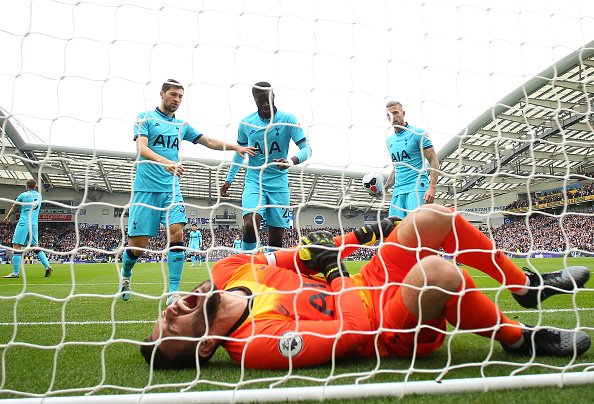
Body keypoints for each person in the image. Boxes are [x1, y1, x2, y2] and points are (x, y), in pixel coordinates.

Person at [140, 204, 590, 369]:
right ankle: (518, 338)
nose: (169, 313)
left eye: (161, 318)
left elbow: (305, 254)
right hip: (384, 327)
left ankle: (525, 287)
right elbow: (353, 331)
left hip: (363, 280)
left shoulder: (228, 270)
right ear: (203, 349)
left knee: (431, 218)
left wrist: (363, 237)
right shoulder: (256, 344)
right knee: (440, 273)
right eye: (170, 331)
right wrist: (337, 275)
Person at [119, 79, 256, 305]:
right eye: (173, 94)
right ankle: (126, 276)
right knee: (137, 247)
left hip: (171, 188)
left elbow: (207, 141)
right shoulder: (145, 118)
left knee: (177, 234)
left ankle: (173, 292)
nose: (177, 100)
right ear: (162, 94)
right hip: (145, 189)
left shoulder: (181, 126)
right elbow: (141, 148)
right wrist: (165, 162)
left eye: (181, 96)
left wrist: (235, 147)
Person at [220, 82, 312, 252]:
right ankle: (248, 265)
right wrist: (229, 180)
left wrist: (290, 161)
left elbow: (307, 149)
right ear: (254, 100)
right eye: (260, 100)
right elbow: (239, 153)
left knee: (276, 237)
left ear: (273, 97)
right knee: (250, 224)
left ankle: (271, 273)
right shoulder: (247, 124)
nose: (264, 104)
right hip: (254, 181)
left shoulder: (288, 120)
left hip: (279, 184)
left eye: (267, 99)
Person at [382, 101, 440, 218]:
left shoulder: (417, 133)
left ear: (403, 113)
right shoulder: (390, 141)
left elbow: (433, 160)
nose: (393, 117)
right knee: (395, 229)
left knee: (415, 227)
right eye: (389, 114)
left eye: (395, 113)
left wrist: (432, 187)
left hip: (417, 187)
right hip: (398, 191)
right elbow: (396, 168)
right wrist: (384, 188)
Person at [3, 179, 53, 279]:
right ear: (35, 186)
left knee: (16, 246)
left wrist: (7, 217)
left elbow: (14, 207)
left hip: (24, 223)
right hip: (34, 224)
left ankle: (15, 273)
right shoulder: (39, 196)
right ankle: (47, 266)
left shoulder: (23, 195)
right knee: (35, 247)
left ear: (26, 186)